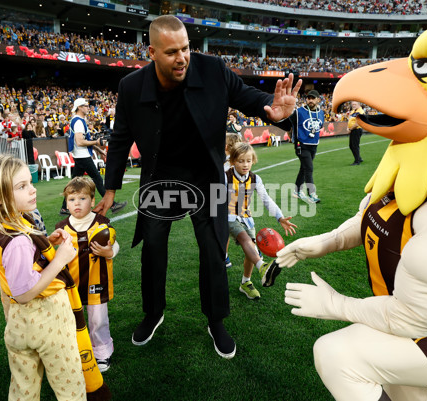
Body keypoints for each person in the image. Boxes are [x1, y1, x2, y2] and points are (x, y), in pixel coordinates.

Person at [94, 15, 301, 359]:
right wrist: (111, 188)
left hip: (207, 176)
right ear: (153, 52)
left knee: (213, 249)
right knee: (154, 247)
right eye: (172, 51)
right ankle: (153, 312)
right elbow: (120, 140)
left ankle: (216, 320)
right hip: (160, 177)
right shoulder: (131, 87)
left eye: (186, 48)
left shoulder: (213, 70)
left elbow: (250, 97)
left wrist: (274, 110)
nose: (182, 57)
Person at [0, 155, 87, 400]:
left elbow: (20, 266)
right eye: (21, 186)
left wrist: (46, 244)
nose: (32, 189)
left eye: (30, 182)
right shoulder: (18, 241)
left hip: (17, 323)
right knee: (69, 383)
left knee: (23, 387)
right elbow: (24, 292)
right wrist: (59, 259)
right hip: (46, 319)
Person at [56, 176, 119, 373]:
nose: (77, 203)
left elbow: (114, 246)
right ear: (66, 203)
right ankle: (78, 349)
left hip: (96, 280)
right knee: (73, 318)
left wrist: (108, 252)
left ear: (92, 201)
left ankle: (102, 352)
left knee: (98, 318)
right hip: (71, 282)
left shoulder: (102, 223)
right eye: (72, 199)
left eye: (82, 199)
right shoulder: (62, 228)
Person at [226, 143, 297, 300]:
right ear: (233, 162)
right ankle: (263, 266)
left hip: (246, 218)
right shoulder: (225, 176)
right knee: (245, 240)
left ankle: (246, 282)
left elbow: (266, 199)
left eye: (248, 160)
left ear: (253, 161)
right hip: (227, 217)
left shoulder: (255, 179)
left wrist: (280, 217)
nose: (245, 164)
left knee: (251, 249)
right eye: (240, 161)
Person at [60, 97, 126, 216]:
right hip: (82, 156)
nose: (88, 107)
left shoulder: (77, 120)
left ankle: (64, 208)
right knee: (98, 179)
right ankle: (112, 205)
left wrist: (98, 150)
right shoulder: (79, 121)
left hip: (80, 155)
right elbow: (80, 142)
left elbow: (83, 141)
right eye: (85, 105)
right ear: (79, 107)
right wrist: (96, 143)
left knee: (74, 183)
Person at [285, 89, 324, 203]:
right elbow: (288, 123)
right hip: (301, 144)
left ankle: (296, 191)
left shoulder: (321, 113)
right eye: (308, 98)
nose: (310, 100)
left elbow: (320, 126)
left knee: (304, 168)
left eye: (313, 98)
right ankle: (311, 194)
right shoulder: (298, 112)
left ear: (318, 100)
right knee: (309, 168)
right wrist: (291, 135)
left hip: (313, 144)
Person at [224, 132, 242, 269]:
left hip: (225, 201)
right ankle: (254, 251)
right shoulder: (240, 163)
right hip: (240, 201)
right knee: (242, 229)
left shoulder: (225, 164)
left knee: (223, 230)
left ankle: (224, 256)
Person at [347, 101, 364, 165]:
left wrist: (350, 129)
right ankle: (358, 158)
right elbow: (350, 120)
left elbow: (357, 123)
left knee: (354, 146)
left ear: (359, 104)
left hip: (356, 129)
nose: (353, 105)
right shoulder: (353, 111)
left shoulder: (360, 112)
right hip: (353, 130)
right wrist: (348, 127)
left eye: (355, 104)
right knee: (352, 145)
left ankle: (357, 161)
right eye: (352, 104)